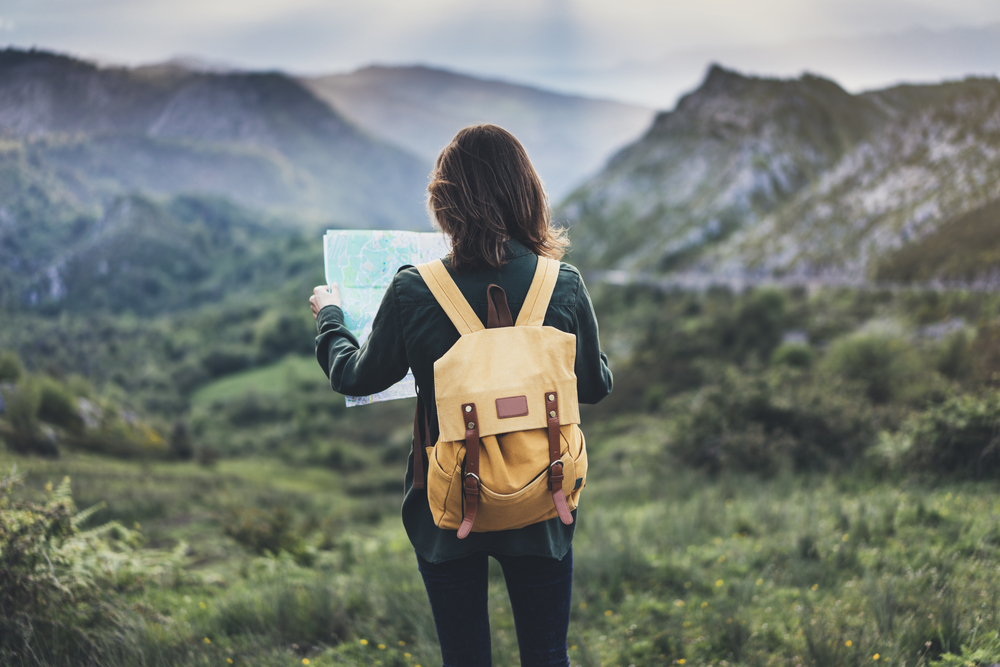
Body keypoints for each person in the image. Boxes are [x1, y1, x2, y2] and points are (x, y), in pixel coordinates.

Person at [309, 123, 613, 667]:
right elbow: (594, 386)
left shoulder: (412, 289)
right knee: (547, 655)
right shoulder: (562, 283)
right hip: (546, 499)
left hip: (447, 508)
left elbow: (354, 376)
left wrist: (331, 317)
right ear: (528, 194)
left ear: (447, 203)